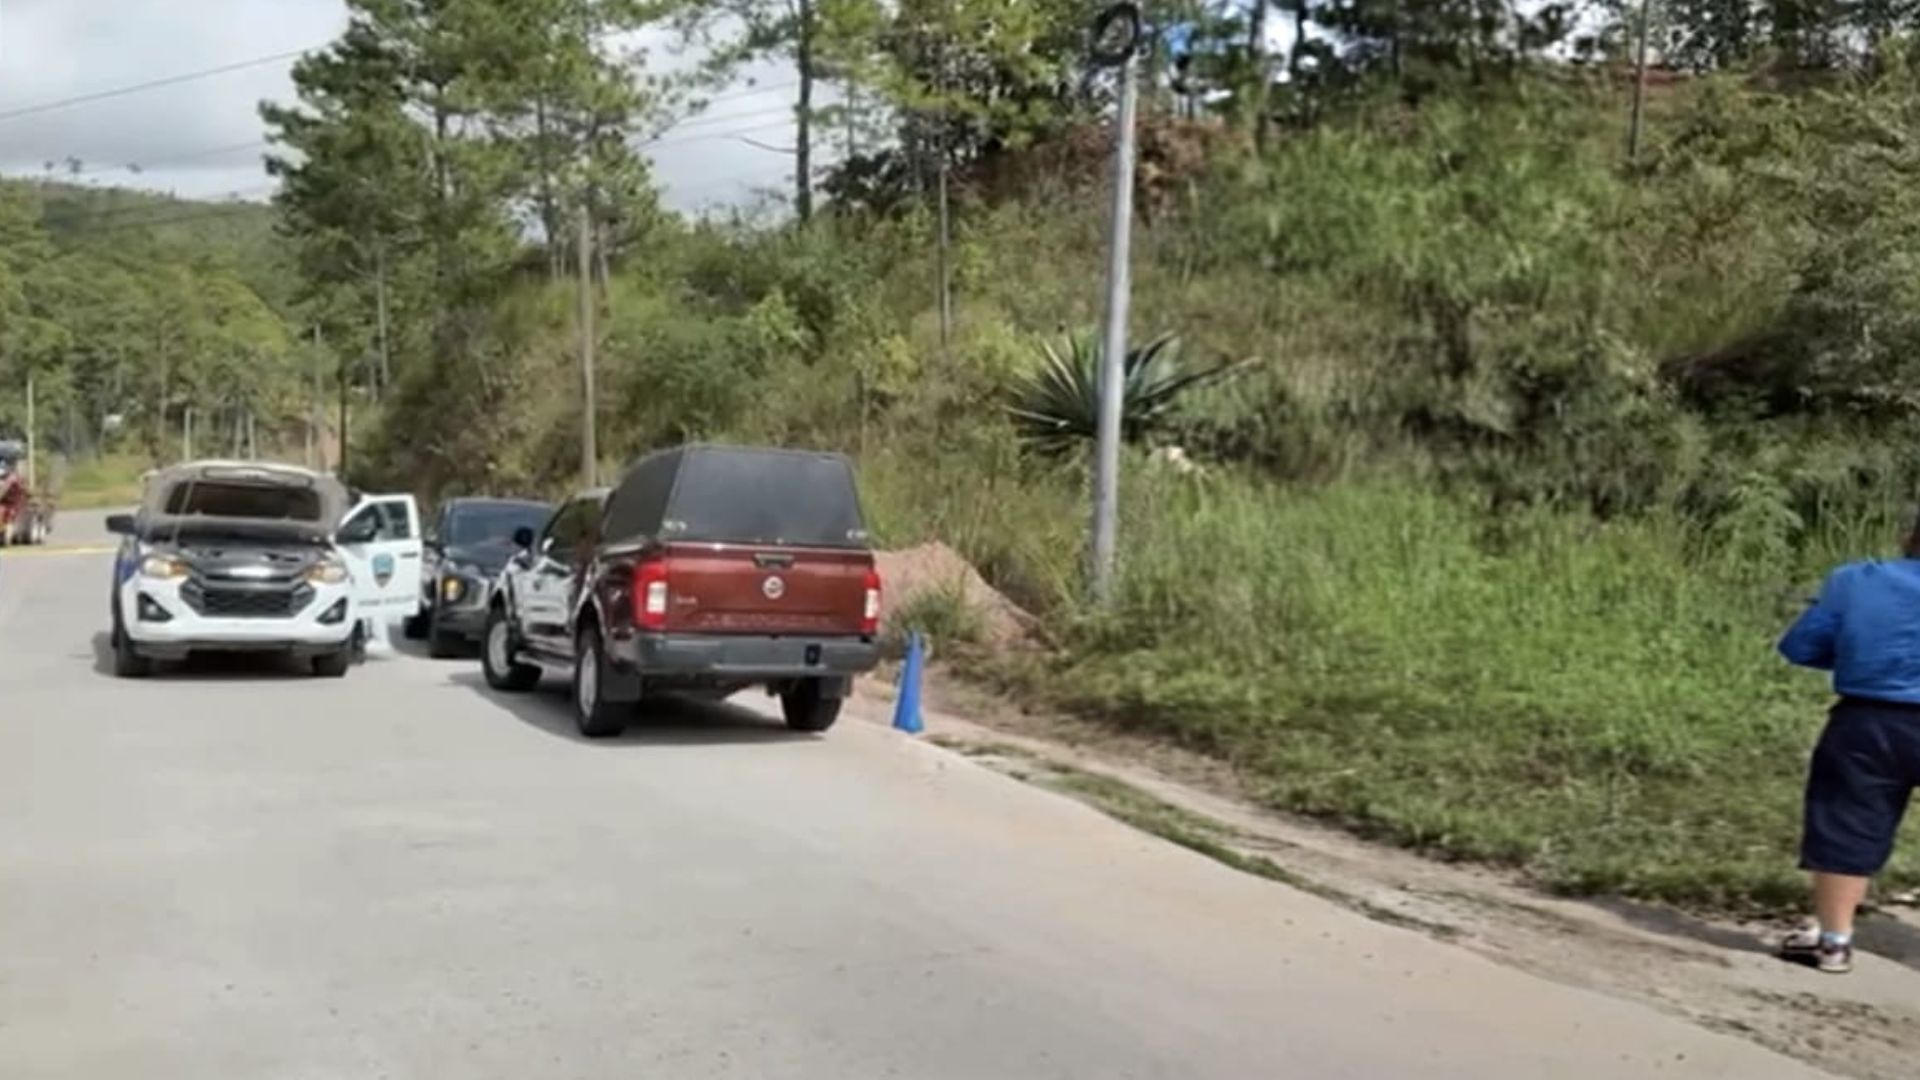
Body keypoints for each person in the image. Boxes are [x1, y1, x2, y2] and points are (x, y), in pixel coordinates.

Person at [1776, 518, 1920, 974]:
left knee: (1848, 824)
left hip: (1869, 721)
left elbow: (1801, 646)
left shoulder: (1856, 580)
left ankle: (1834, 944)